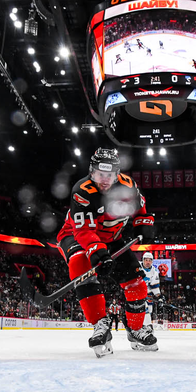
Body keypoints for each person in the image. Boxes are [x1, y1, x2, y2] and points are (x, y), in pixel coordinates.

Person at [56, 147, 157, 357]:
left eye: (109, 175)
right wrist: (98, 253)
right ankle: (100, 324)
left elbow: (141, 210)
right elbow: (83, 230)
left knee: (137, 285)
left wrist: (144, 224)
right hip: (75, 235)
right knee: (80, 264)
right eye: (100, 174)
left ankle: (136, 329)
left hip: (112, 238)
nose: (104, 179)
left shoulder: (129, 187)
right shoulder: (82, 191)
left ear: (117, 174)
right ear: (92, 172)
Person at [140, 252, 161, 326]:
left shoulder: (154, 271)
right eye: (146, 260)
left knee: (149, 309)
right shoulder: (137, 267)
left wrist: (159, 297)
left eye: (149, 260)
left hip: (147, 293)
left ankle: (145, 325)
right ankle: (147, 325)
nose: (148, 262)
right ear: (143, 260)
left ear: (152, 261)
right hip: (136, 292)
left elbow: (154, 286)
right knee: (144, 309)